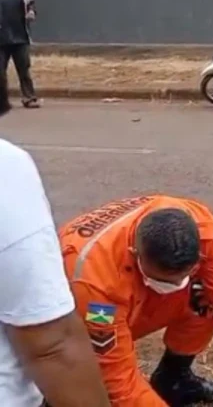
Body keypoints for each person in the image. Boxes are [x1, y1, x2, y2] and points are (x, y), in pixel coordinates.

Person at [59, 195, 213, 407]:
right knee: (95, 383)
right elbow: (120, 380)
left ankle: (174, 379)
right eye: (161, 280)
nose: (177, 285)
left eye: (185, 275)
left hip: (136, 297)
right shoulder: (93, 281)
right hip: (85, 315)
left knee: (209, 294)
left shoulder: (202, 229)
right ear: (135, 254)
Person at [0, 75, 111, 407]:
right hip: (97, 299)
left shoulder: (211, 249)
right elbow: (54, 345)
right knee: (106, 340)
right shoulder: (99, 283)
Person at [0, 0, 39, 109]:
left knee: (24, 69)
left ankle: (29, 98)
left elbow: (30, 4)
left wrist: (31, 12)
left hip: (20, 37)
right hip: (1, 39)